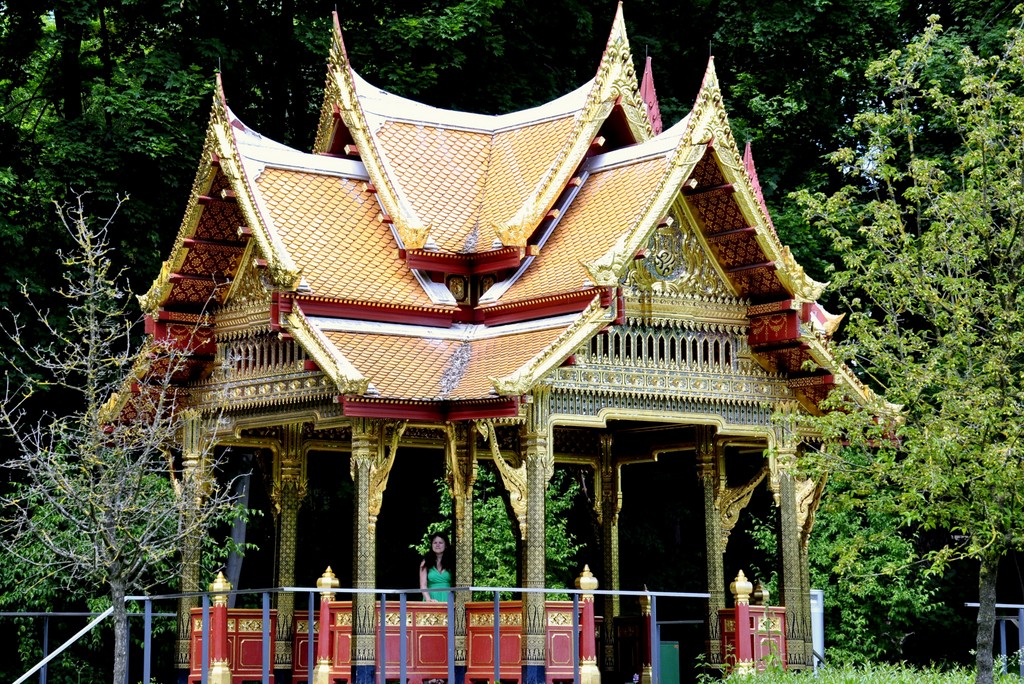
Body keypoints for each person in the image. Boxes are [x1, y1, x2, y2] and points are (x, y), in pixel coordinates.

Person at [419, 533, 453, 602]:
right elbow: (423, 585)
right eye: (435, 543)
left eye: (440, 542)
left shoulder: (452, 562)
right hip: (431, 598)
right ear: (431, 545)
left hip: (448, 597)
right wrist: (429, 600)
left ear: (446, 545)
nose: (437, 545)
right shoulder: (425, 562)